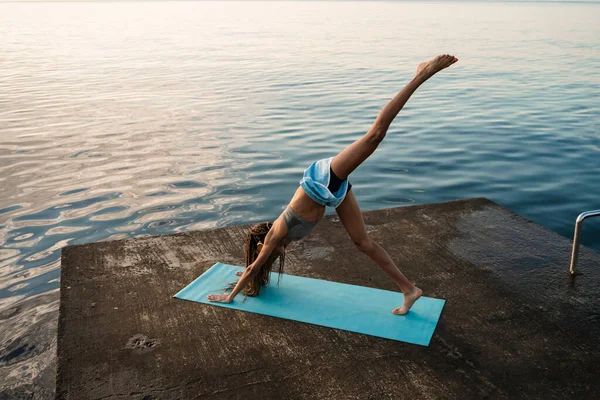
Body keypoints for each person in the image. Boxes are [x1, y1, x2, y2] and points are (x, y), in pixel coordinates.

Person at [208, 54, 459, 314]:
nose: (279, 255)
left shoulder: (275, 235)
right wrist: (248, 268)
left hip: (323, 178)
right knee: (363, 244)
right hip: (333, 195)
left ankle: (421, 74)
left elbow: (253, 268)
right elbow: (252, 267)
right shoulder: (281, 240)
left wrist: (230, 297)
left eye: (269, 254)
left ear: (264, 245)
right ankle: (410, 290)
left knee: (375, 135)